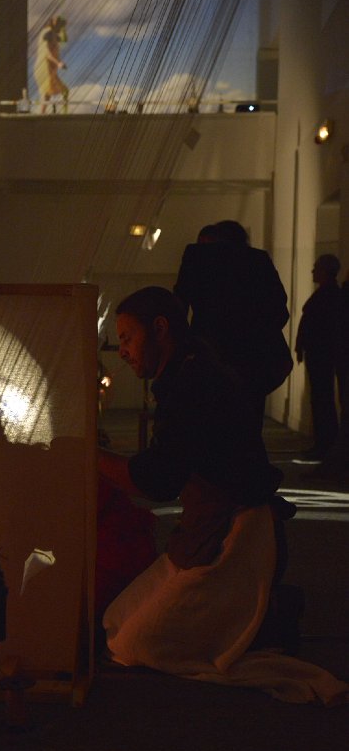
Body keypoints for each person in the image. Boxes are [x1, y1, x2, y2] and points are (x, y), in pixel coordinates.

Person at [97, 286, 349, 706]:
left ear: (160, 328)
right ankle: (259, 617)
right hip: (207, 531)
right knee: (115, 622)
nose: (121, 351)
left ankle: (266, 618)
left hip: (236, 538)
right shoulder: (192, 371)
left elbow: (158, 480)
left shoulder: (194, 382)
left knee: (134, 645)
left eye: (127, 338)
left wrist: (92, 456)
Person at [174, 220, 293, 432]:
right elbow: (278, 309)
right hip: (252, 359)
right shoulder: (257, 260)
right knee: (249, 422)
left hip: (208, 352)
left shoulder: (197, 257)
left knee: (209, 422)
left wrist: (182, 346)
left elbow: (179, 305)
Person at [294, 254, 345, 461]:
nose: (313, 271)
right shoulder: (329, 294)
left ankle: (325, 443)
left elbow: (318, 325)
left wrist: (302, 345)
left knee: (322, 399)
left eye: (316, 268)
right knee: (321, 398)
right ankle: (323, 442)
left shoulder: (329, 295)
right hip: (320, 354)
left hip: (322, 355)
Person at [34, 15, 69, 114]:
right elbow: (46, 52)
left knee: (49, 93)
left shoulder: (53, 34)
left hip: (49, 67)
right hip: (44, 66)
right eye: (60, 26)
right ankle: (63, 114)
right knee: (48, 91)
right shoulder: (48, 33)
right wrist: (58, 63)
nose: (60, 29)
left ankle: (44, 114)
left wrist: (63, 29)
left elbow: (64, 40)